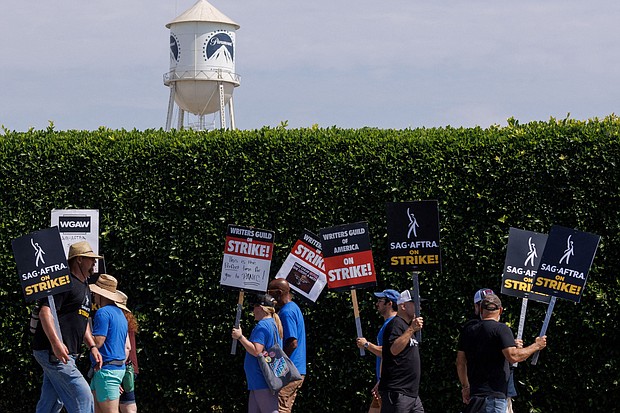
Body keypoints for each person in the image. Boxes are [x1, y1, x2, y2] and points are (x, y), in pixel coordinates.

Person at [32, 240, 103, 413]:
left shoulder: (85, 287)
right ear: (78, 260)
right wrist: (56, 344)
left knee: (50, 403)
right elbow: (45, 312)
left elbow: (83, 319)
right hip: (52, 352)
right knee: (83, 395)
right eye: (90, 258)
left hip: (66, 353)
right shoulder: (63, 283)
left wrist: (92, 345)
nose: (94, 262)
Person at [456, 294, 547, 413]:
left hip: (475, 396)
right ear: (500, 310)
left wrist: (465, 387)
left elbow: (460, 362)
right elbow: (513, 356)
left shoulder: (468, 330)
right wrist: (537, 346)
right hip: (494, 397)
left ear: (481, 310)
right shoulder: (501, 329)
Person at [464, 288, 518, 412]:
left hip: (497, 391)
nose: (488, 307)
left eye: (491, 304)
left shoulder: (496, 329)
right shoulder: (473, 327)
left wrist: (511, 344)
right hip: (491, 394)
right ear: (477, 307)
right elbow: (512, 355)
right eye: (484, 304)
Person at [232, 294, 283, 413]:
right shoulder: (273, 324)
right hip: (260, 380)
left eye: (254, 308)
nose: (253, 311)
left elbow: (256, 351)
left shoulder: (262, 326)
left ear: (260, 308)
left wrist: (240, 337)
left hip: (262, 380)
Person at [378, 289, 425, 413]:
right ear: (403, 306)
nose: (419, 307)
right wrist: (411, 330)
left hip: (410, 393)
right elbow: (393, 350)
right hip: (397, 392)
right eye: (415, 303)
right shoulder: (396, 324)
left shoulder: (406, 326)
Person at [89, 274, 129, 413]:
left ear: (101, 294)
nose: (93, 295)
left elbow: (98, 342)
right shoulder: (121, 314)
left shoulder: (102, 313)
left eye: (95, 293)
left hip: (106, 371)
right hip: (111, 369)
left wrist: (85, 332)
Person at [356, 289, 399, 413]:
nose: (377, 304)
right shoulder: (388, 324)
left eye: (380, 301)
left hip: (389, 382)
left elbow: (388, 352)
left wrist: (366, 345)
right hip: (384, 380)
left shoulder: (393, 325)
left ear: (389, 303)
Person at [267, 278, 306, 412]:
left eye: (270, 293)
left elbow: (292, 343)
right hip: (297, 370)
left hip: (290, 371)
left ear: (279, 293)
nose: (269, 297)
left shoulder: (287, 312)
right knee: (284, 407)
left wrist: (278, 364)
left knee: (280, 408)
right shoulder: (293, 307)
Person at [115, 291, 139, 413]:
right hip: (130, 367)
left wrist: (117, 374)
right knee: (128, 402)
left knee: (118, 405)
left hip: (122, 366)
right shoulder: (127, 319)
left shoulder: (118, 320)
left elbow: (126, 348)